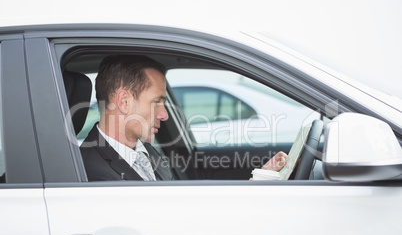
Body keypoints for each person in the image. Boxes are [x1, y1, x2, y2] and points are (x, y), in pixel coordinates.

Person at [80, 55, 287, 181]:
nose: (164, 114)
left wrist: (259, 179)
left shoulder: (143, 150)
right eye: (156, 102)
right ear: (124, 101)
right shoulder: (92, 173)